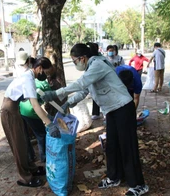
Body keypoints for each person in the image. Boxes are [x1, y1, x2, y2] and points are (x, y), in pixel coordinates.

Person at [41, 43, 149, 196]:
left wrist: (56, 93)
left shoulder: (98, 65)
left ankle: (138, 184)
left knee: (127, 146)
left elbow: (81, 83)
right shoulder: (90, 69)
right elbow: (84, 91)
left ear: (83, 58)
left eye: (74, 61)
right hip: (112, 111)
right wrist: (68, 102)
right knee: (112, 146)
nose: (75, 64)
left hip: (123, 108)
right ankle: (114, 177)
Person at [0, 56, 60, 188]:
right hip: (9, 111)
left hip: (14, 109)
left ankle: (32, 169)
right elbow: (34, 104)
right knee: (19, 146)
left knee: (23, 143)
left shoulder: (29, 76)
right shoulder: (28, 79)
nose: (46, 76)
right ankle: (25, 178)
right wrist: (48, 123)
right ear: (39, 68)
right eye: (45, 72)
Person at [20, 78, 51, 163]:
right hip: (31, 111)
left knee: (25, 135)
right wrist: (48, 118)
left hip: (21, 109)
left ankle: (31, 157)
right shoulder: (44, 84)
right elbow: (49, 99)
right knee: (41, 135)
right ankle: (44, 157)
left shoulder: (33, 80)